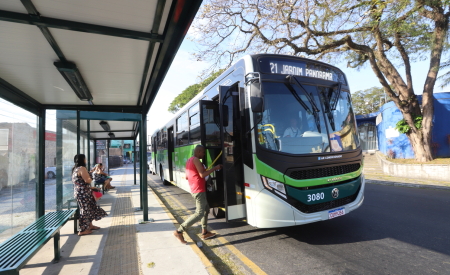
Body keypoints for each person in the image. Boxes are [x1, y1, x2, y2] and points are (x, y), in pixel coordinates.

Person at [173, 145, 222, 244]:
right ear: (199, 151)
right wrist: (215, 168)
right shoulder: (196, 160)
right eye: (203, 152)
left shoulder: (189, 160)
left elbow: (187, 176)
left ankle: (204, 232)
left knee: (206, 209)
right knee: (199, 213)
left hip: (195, 189)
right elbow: (202, 175)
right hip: (199, 190)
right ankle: (179, 231)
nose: (204, 155)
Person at [72, 154, 108, 236]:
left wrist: (90, 173)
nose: (86, 160)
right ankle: (83, 230)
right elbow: (87, 180)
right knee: (85, 210)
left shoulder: (75, 169)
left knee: (90, 208)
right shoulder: (82, 168)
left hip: (80, 192)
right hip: (83, 193)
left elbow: (80, 182)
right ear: (82, 160)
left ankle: (90, 225)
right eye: (85, 159)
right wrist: (91, 175)